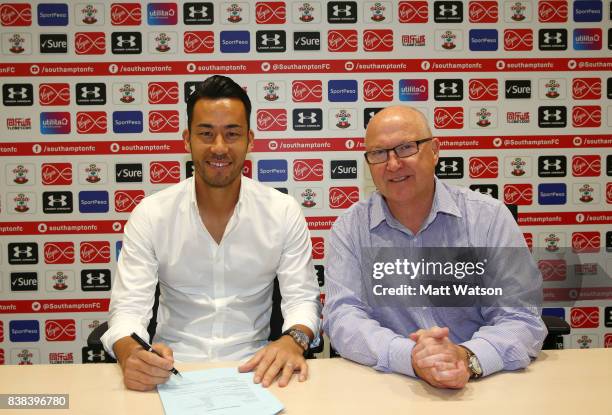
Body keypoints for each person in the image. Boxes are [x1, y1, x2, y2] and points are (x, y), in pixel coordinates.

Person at [102, 75, 321, 391]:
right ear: (187, 139)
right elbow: (128, 310)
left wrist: (293, 340)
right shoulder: (151, 214)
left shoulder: (282, 211)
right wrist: (132, 354)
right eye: (206, 134)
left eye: (231, 134)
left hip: (258, 373)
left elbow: (302, 300)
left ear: (250, 139)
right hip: (171, 374)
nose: (219, 147)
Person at [322, 106, 546, 389]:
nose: (392, 164)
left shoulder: (488, 218)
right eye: (379, 153)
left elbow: (520, 315)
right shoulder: (350, 228)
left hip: (482, 384)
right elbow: (343, 315)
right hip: (391, 385)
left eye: (406, 148)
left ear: (435, 150)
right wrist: (411, 357)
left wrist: (466, 357)